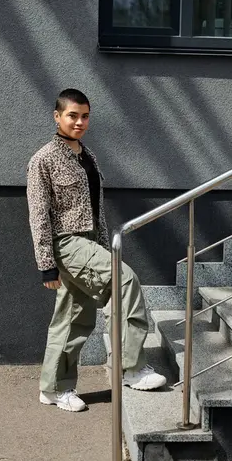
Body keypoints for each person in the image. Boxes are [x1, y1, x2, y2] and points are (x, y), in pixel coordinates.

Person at [26, 89, 166, 412]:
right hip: (66, 242)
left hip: (90, 242)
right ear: (57, 116)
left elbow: (97, 211)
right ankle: (131, 367)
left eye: (85, 116)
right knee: (126, 280)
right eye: (72, 115)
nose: (79, 122)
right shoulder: (43, 160)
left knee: (74, 316)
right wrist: (46, 263)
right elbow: (38, 215)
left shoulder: (88, 157)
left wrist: (104, 247)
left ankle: (53, 387)